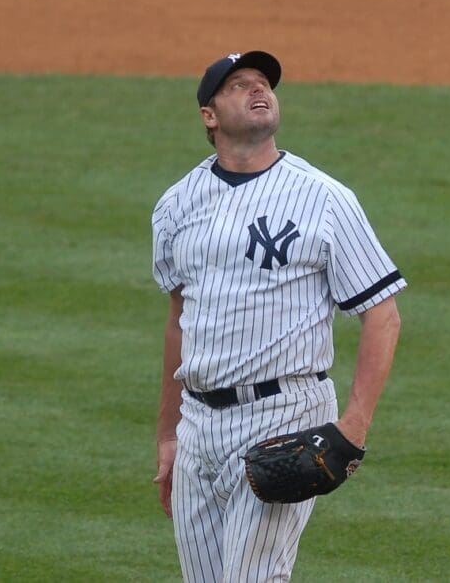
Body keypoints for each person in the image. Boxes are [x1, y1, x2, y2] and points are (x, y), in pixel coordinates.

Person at [150, 51, 406, 581]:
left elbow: (382, 314)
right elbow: (179, 319)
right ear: (209, 116)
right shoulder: (177, 205)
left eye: (264, 82)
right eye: (239, 84)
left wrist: (353, 428)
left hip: (283, 415)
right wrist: (168, 435)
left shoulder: (325, 199)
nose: (257, 90)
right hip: (198, 425)